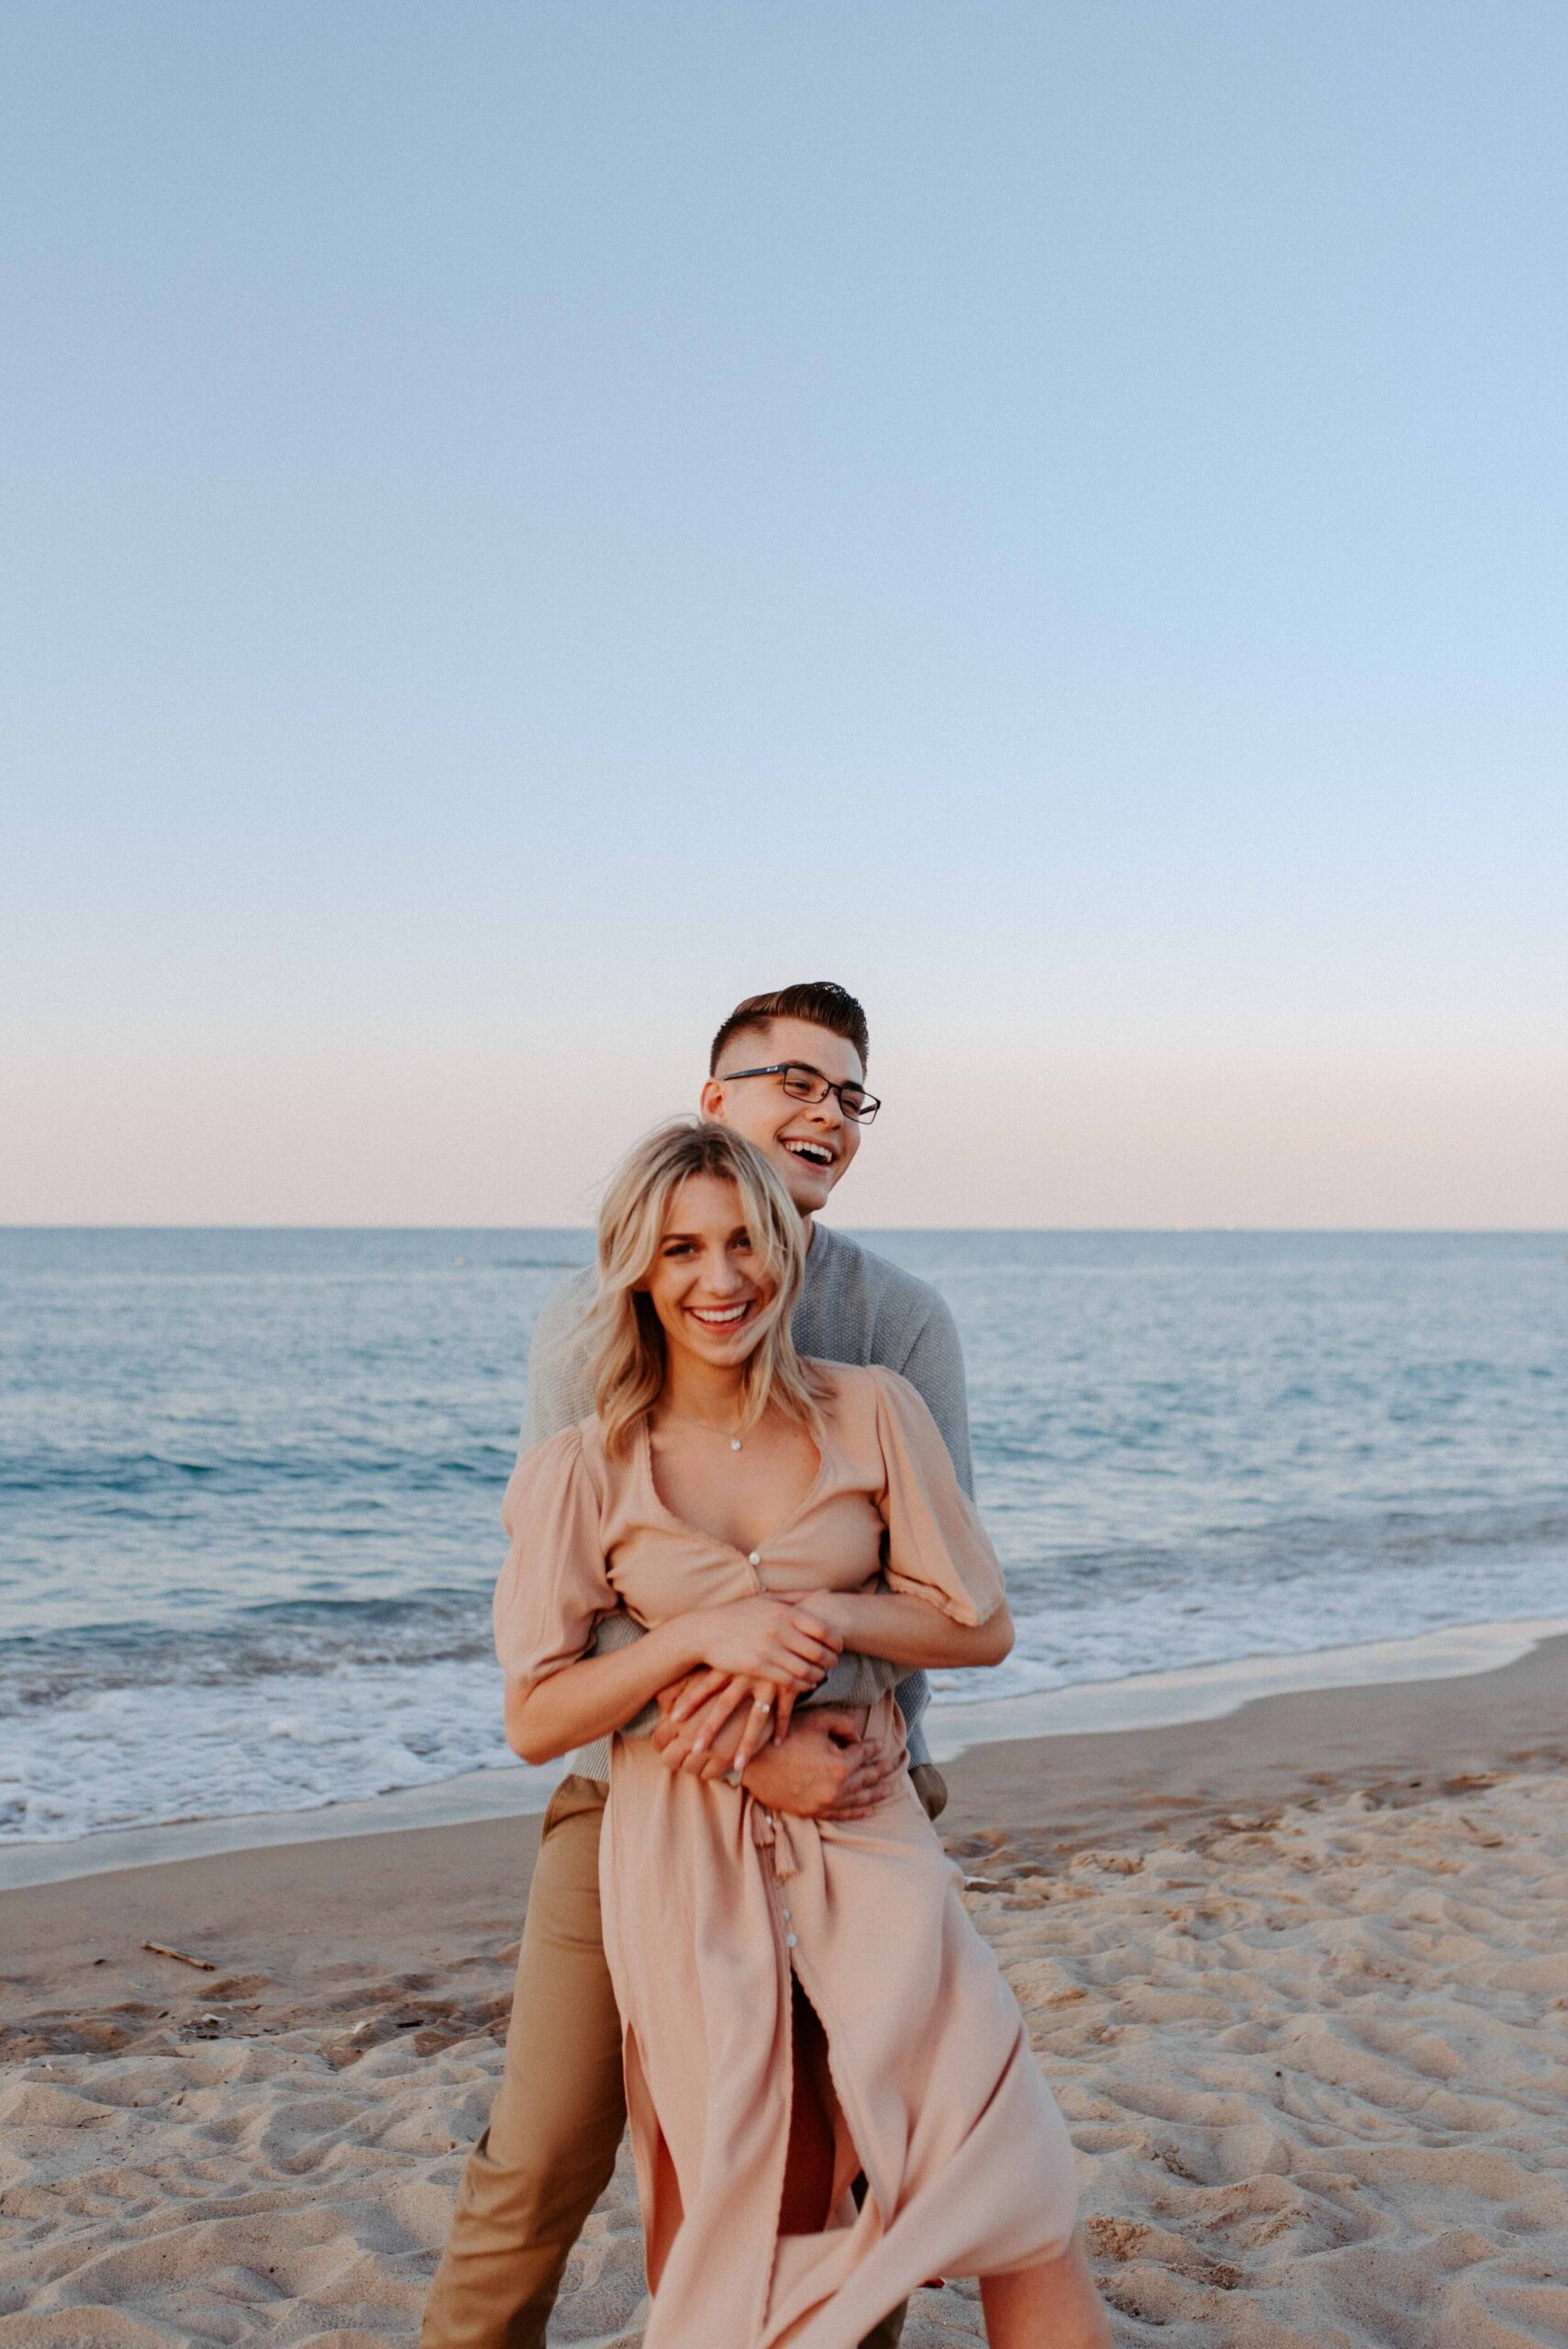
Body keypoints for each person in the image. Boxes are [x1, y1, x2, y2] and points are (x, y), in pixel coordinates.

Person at [424, 983, 988, 2349]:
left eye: (846, 1092)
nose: (820, 1111)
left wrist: (836, 1728)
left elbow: (944, 1592)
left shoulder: (895, 1327)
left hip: (851, 1794)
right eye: (789, 1079)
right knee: (546, 2147)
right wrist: (737, 1723)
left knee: (842, 2159)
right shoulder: (600, 1315)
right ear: (713, 1103)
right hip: (639, 1793)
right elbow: (583, 1598)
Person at [493, 1118, 1110, 2347]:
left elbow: (974, 1624)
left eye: (740, 1244)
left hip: (865, 1824)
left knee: (1012, 2173)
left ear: (782, 1249)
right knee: (744, 2200)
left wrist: (818, 1612)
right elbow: (534, 1714)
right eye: (679, 1251)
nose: (717, 1281)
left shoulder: (872, 1410)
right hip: (682, 1850)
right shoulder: (586, 1465)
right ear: (637, 1269)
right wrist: (691, 1640)